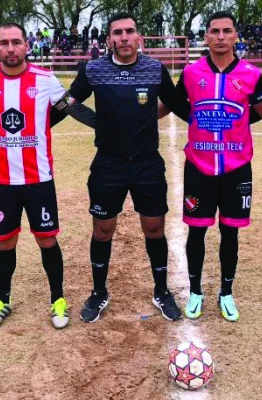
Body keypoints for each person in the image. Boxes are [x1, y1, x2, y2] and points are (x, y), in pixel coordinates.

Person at [0, 22, 96, 330]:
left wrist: (105, 125)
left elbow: (70, 109)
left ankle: (58, 300)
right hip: (2, 180)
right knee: (5, 242)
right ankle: (2, 300)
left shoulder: (45, 79)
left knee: (47, 239)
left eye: (16, 42)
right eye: (4, 43)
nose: (10, 48)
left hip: (38, 179)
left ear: (27, 45)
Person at [159, 11, 262, 321]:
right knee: (197, 232)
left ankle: (226, 292)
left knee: (231, 233)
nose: (220, 36)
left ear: (235, 36)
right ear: (206, 37)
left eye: (227, 31)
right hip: (199, 167)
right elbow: (172, 105)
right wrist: (132, 119)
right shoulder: (190, 72)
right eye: (214, 31)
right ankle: (197, 291)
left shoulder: (251, 74)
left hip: (237, 167)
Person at [68, 12, 191, 323]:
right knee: (103, 230)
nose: (124, 37)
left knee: (154, 229)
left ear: (139, 37)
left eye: (129, 32)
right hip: (108, 165)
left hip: (148, 165)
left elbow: (177, 103)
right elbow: (65, 102)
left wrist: (213, 124)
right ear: (109, 39)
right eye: (117, 33)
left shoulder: (154, 69)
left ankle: (162, 291)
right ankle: (99, 292)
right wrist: (95, 121)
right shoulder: (94, 69)